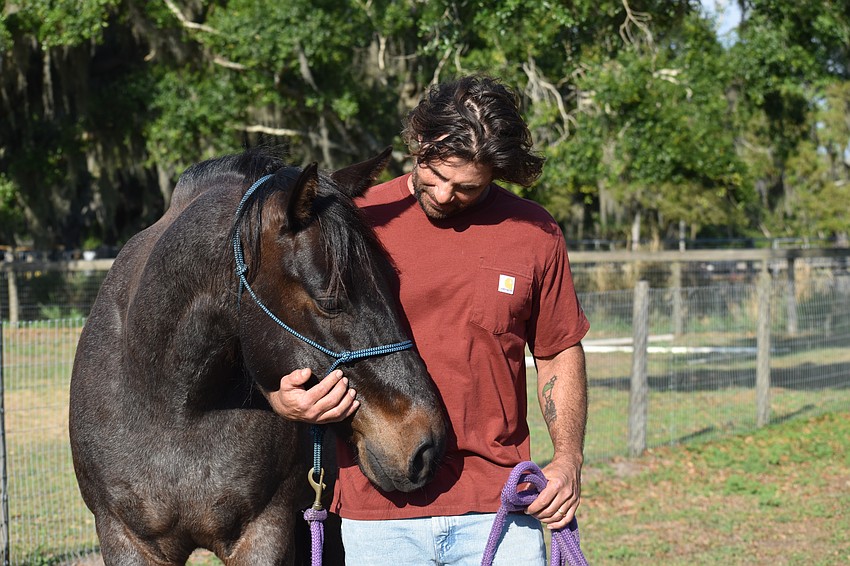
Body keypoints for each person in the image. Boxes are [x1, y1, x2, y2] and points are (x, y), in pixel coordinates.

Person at [269, 75, 589, 564]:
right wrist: (281, 397)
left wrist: (568, 459)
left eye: (466, 187)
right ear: (418, 143)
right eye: (433, 173)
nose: (442, 194)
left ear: (498, 172)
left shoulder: (534, 233)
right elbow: (286, 320)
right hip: (377, 510)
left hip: (499, 506)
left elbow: (558, 350)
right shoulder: (354, 218)